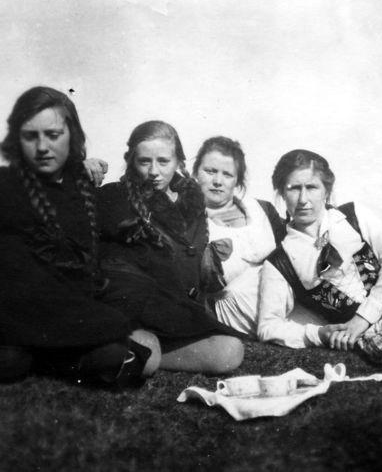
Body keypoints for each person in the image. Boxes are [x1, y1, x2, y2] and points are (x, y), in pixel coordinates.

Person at [0, 86, 152, 387]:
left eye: (53, 135)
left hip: (64, 312)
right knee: (10, 360)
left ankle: (52, 354)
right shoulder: (8, 187)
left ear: (72, 136)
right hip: (17, 310)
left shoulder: (80, 188)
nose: (42, 147)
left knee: (116, 347)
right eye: (31, 136)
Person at [256, 149, 382, 370]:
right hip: (376, 332)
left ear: (327, 191)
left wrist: (363, 317)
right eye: (293, 188)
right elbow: (268, 326)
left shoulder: (353, 216)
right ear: (281, 193)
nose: (303, 199)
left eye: (311, 187)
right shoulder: (280, 263)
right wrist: (318, 333)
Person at [97, 122, 244, 373]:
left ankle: (146, 355)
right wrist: (77, 173)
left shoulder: (193, 202)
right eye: (144, 161)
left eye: (163, 161)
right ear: (131, 161)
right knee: (147, 352)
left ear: (179, 162)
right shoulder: (114, 197)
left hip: (177, 312)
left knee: (230, 352)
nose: (154, 171)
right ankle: (140, 352)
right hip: (133, 311)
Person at [191, 136, 285, 336]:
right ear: (196, 172)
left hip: (281, 308)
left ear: (237, 180)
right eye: (210, 171)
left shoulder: (263, 210)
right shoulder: (187, 221)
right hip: (228, 319)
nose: (217, 181)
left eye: (227, 174)